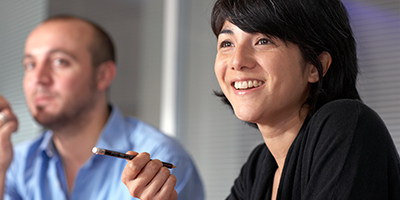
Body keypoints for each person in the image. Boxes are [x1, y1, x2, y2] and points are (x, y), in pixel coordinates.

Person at [122, 0, 400, 199]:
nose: (238, 61)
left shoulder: (347, 126)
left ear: (316, 66)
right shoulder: (260, 168)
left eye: (263, 40)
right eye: (227, 43)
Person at [0, 15, 203, 200]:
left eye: (59, 62)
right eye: (30, 65)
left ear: (103, 75)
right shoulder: (15, 164)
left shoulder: (160, 162)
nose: (39, 79)